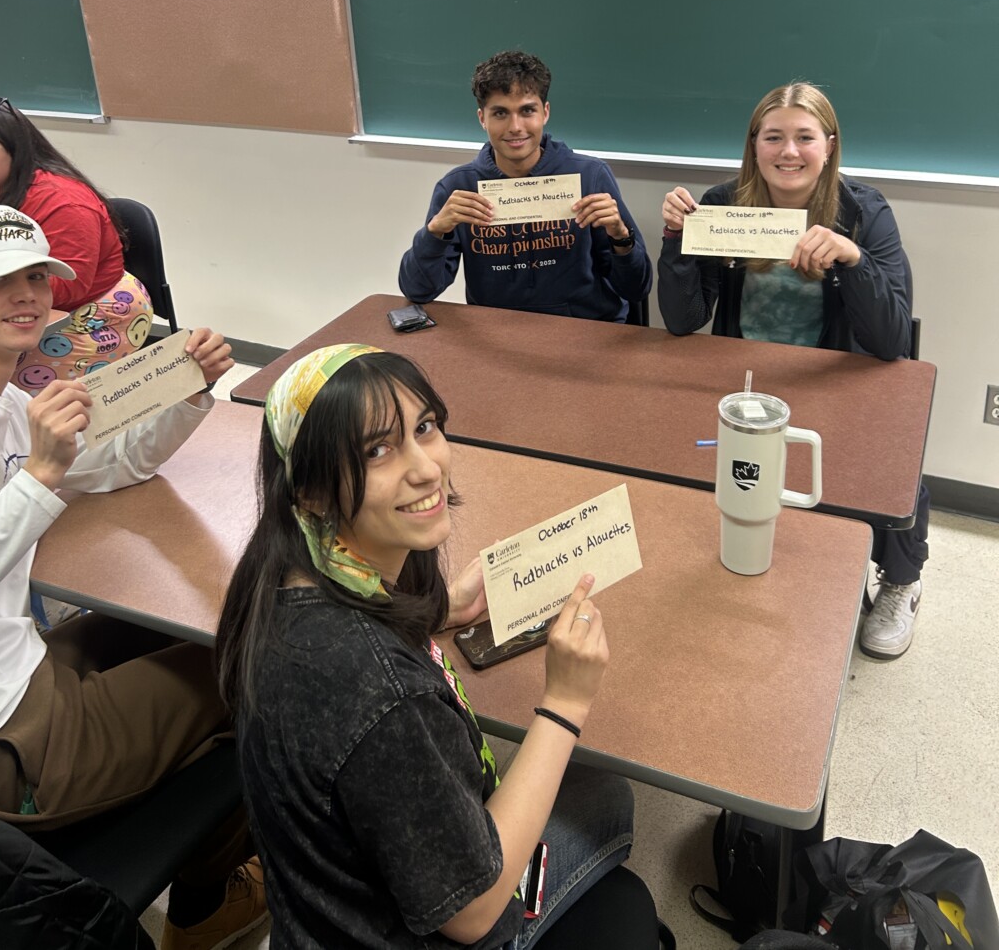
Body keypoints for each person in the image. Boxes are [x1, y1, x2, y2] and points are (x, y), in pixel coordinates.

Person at [217, 343, 662, 948]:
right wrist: (565, 703)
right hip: (430, 929)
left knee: (598, 793)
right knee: (609, 802)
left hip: (318, 917)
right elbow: (473, 914)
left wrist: (437, 609)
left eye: (424, 427)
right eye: (377, 450)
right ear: (312, 491)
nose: (427, 468)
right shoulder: (382, 696)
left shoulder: (280, 578)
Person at [0, 203, 266, 950]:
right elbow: (45, 480)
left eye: (37, 276)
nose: (26, 293)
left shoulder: (8, 402)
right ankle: (204, 907)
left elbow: (118, 462)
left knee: (203, 632)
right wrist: (39, 475)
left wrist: (191, 390)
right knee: (259, 670)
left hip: (19, 669)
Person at [657, 81, 928, 659]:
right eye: (773, 137)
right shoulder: (724, 204)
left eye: (804, 137)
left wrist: (853, 259)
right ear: (754, 144)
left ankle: (901, 581)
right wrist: (676, 240)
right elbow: (684, 320)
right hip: (747, 381)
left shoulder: (864, 213)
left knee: (895, 458)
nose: (788, 152)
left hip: (834, 375)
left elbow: (891, 340)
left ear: (829, 145)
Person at [399, 51, 652, 321]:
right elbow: (418, 290)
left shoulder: (590, 176)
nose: (515, 127)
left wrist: (620, 236)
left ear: (545, 112)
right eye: (500, 113)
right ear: (482, 118)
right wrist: (434, 232)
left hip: (584, 328)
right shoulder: (459, 187)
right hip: (497, 332)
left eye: (527, 111)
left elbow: (636, 287)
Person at [0, 97, 153, 394]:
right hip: (24, 300)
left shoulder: (65, 202)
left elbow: (70, 285)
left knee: (4, 391)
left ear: (16, 145)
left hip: (97, 313)